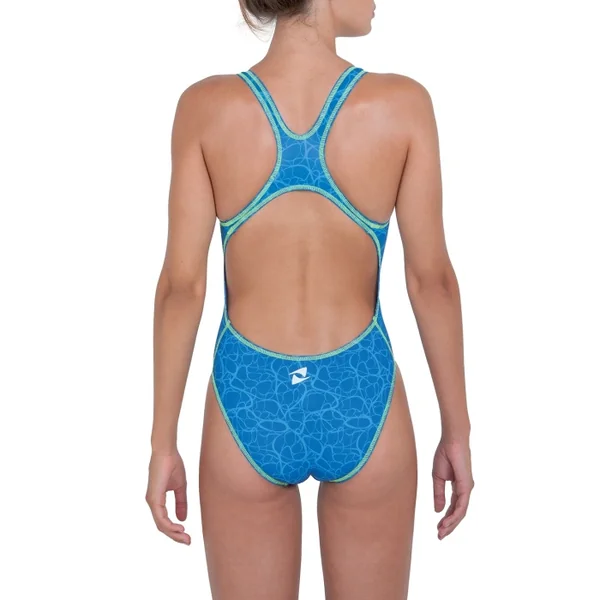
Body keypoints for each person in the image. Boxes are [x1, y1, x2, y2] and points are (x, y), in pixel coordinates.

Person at [146, 0, 474, 598]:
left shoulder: (205, 108)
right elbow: (432, 282)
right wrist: (458, 431)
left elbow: (181, 287)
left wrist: (162, 442)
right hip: (362, 392)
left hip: (247, 397)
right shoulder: (402, 105)